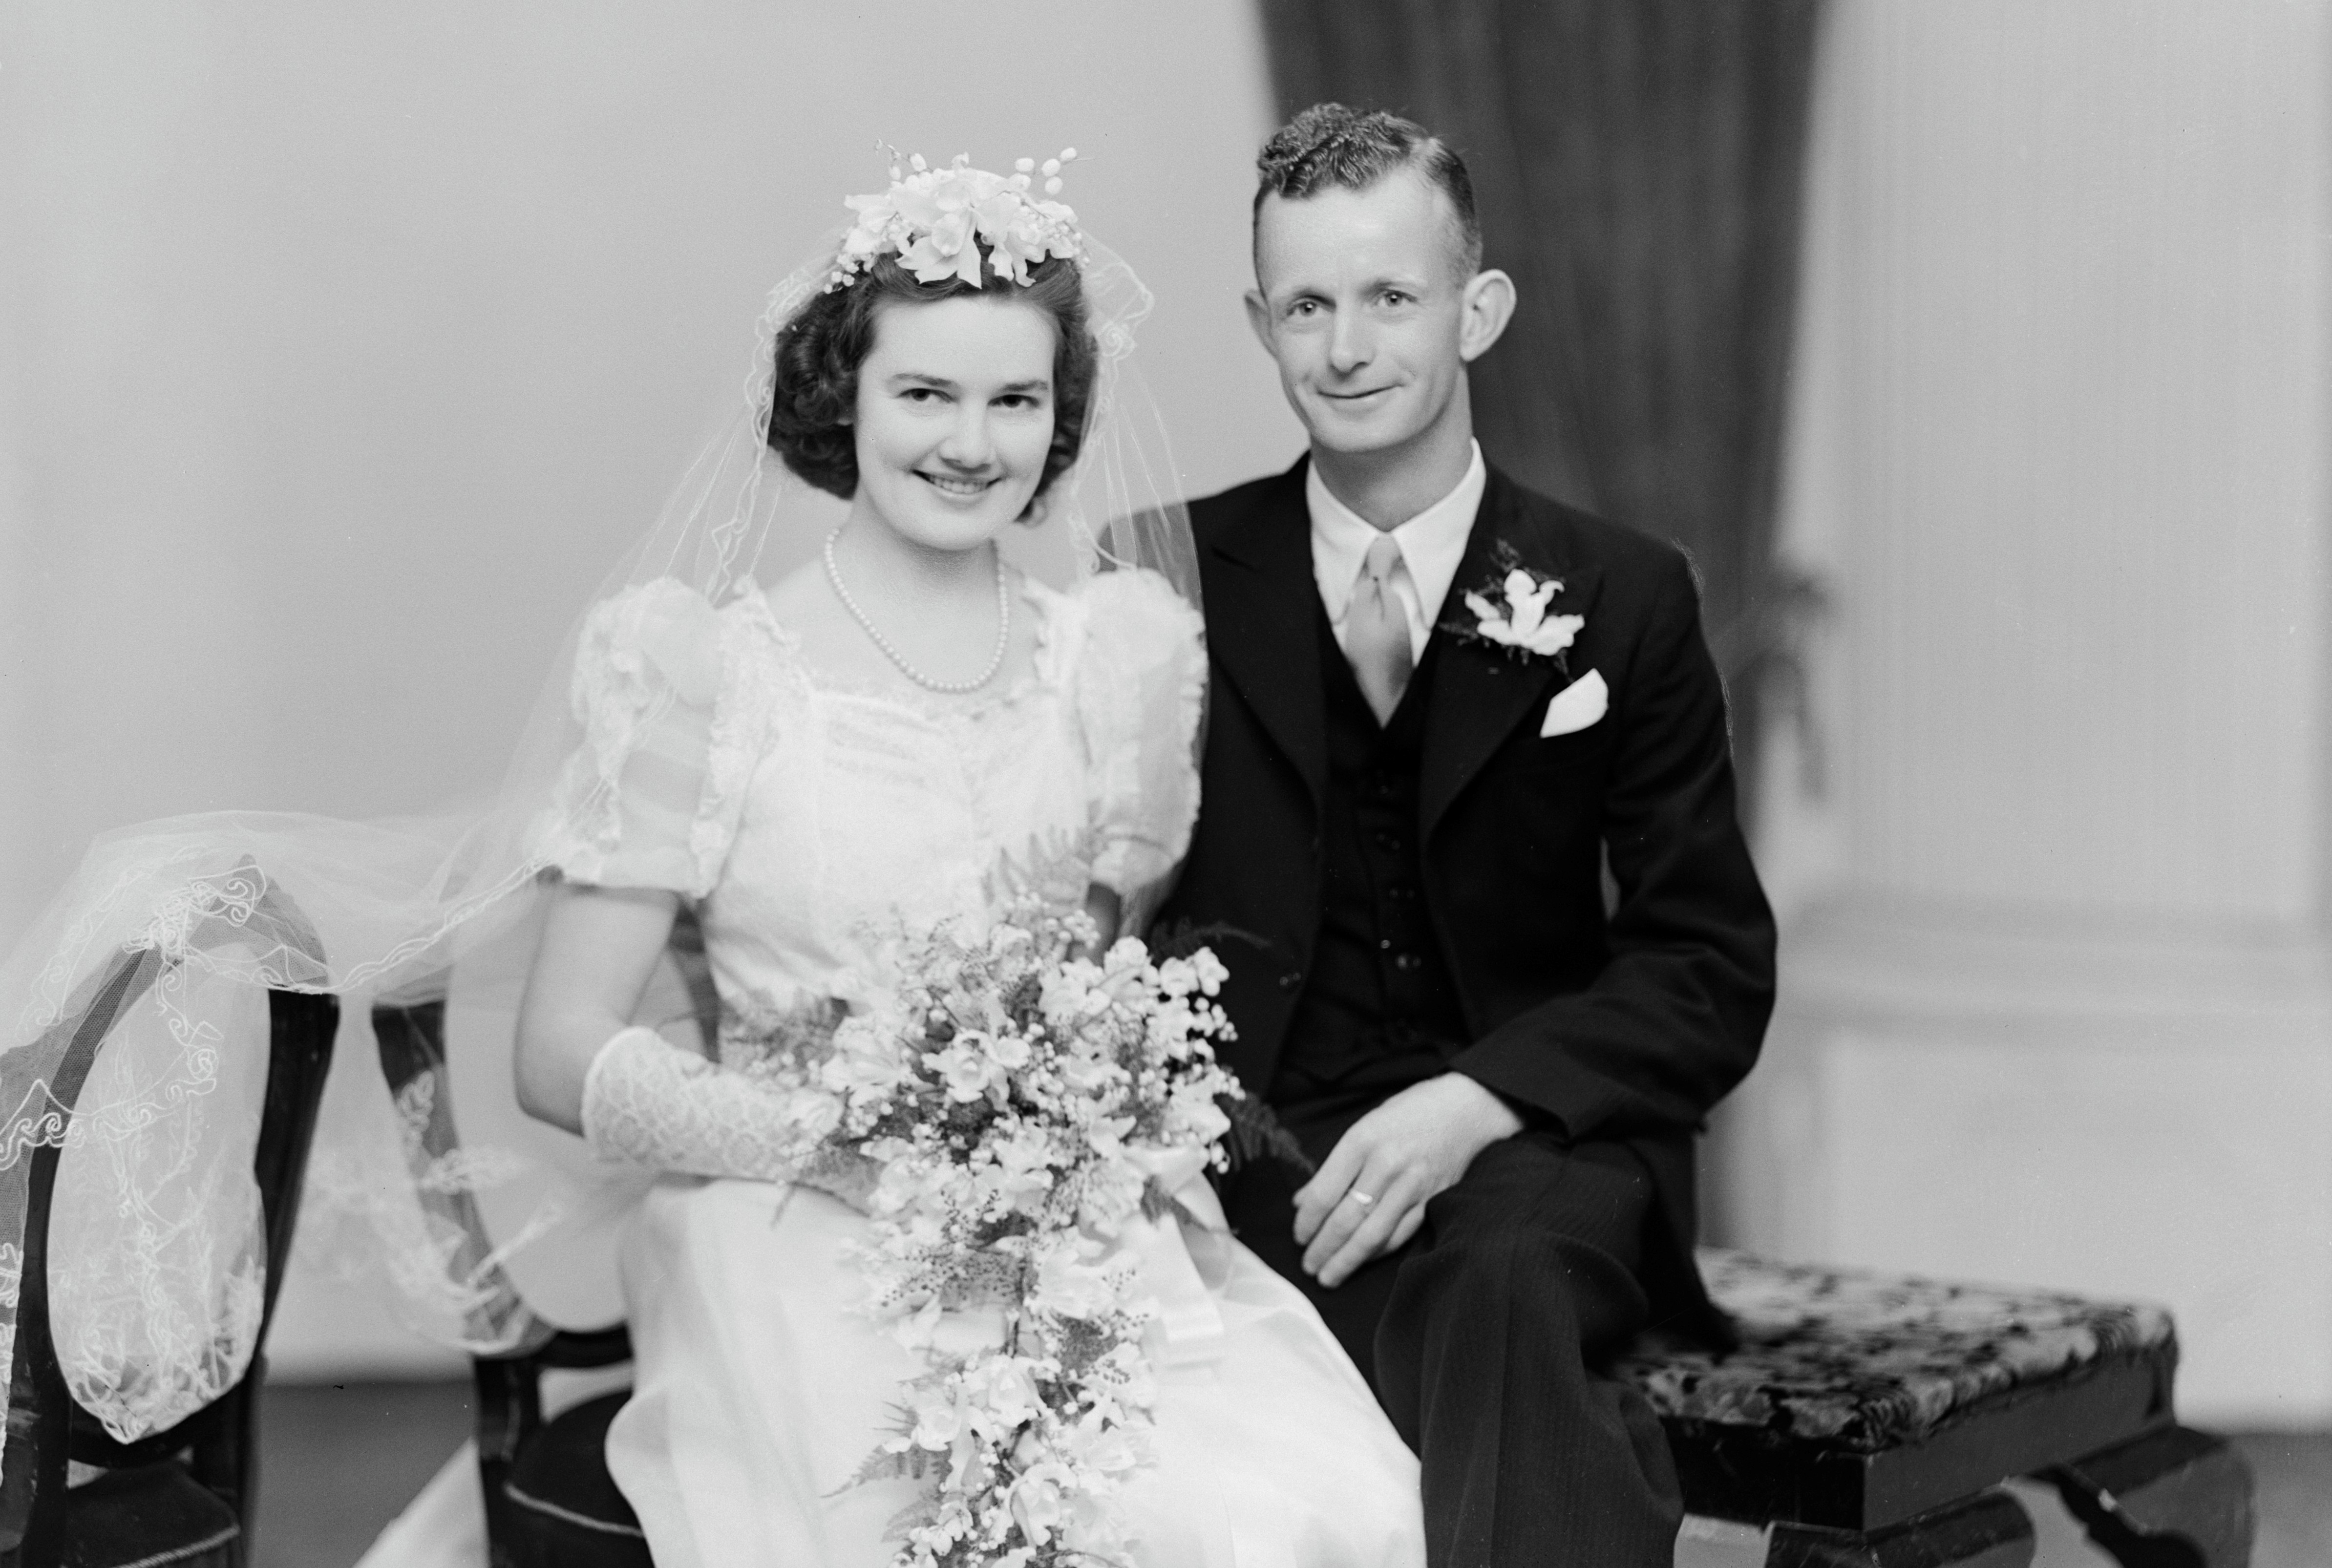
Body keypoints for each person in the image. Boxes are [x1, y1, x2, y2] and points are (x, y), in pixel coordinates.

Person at [0, 152, 1426, 1568]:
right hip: (786, 1228)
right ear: (843, 397)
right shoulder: (708, 674)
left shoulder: (1119, 667)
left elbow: (1107, 981)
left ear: (1061, 423)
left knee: (1311, 1507)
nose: (970, 440)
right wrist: (843, 1140)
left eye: (1016, 400)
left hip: (1067, 1230)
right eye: (923, 392)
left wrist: (1072, 1117)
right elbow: (558, 1051)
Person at [1157, 105, 1778, 1568]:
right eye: (1307, 304)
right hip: (1269, 1143)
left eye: (1392, 296)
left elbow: (1706, 963)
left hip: (1538, 1137)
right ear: (1260, 323)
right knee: (1444, 1337)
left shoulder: (1622, 593)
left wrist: (1478, 1100)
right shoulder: (1161, 569)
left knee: (1501, 1283)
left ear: (1478, 310)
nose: (1348, 345)